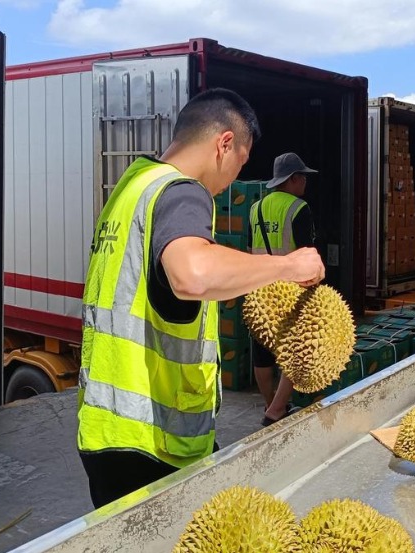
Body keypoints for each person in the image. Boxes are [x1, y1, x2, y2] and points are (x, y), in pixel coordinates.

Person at [77, 88, 325, 509]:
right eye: (239, 164)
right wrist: (289, 267)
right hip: (153, 439)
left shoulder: (133, 185)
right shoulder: (182, 192)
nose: (232, 180)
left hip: (106, 429)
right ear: (223, 144)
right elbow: (192, 275)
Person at [249, 152, 319, 427]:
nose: (305, 183)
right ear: (293, 179)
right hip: (290, 291)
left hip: (258, 289)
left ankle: (269, 402)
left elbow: (248, 246)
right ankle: (276, 410)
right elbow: (308, 253)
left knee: (263, 351)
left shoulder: (256, 208)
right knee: (294, 349)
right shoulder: (299, 208)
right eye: (302, 178)